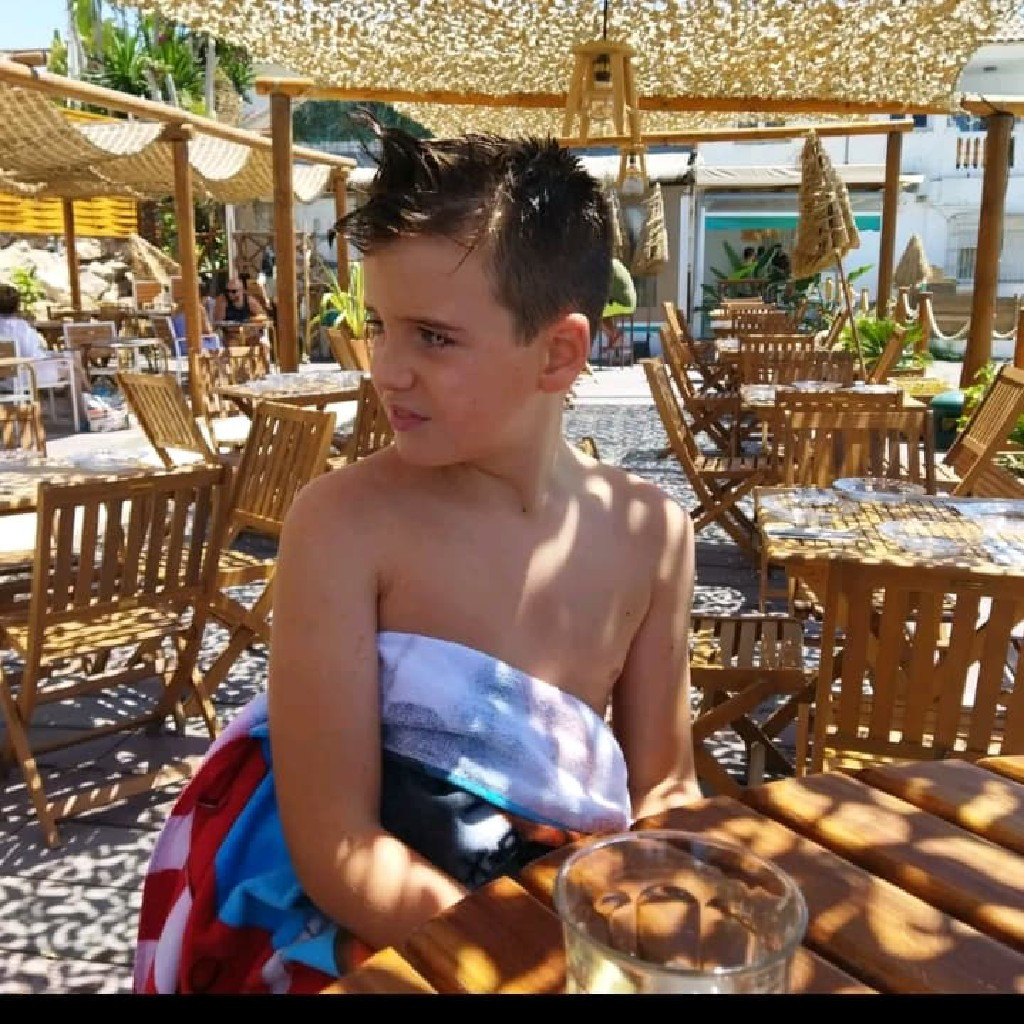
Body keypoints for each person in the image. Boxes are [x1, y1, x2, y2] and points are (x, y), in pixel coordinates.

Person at [134, 124, 701, 994]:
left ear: (558, 352)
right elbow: (339, 846)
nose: (386, 370)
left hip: (567, 918)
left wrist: (662, 906)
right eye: (380, 327)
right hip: (384, 934)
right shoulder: (344, 525)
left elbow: (664, 785)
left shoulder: (653, 534)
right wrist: (526, 957)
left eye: (433, 337)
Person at [0, 282, 98, 412]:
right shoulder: (21, 328)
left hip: (4, 379)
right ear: (17, 306)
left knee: (71, 361)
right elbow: (35, 356)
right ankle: (85, 408)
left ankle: (90, 401)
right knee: (71, 367)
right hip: (26, 376)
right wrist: (55, 356)